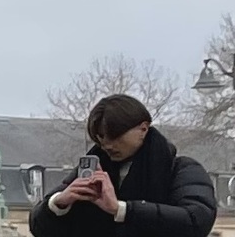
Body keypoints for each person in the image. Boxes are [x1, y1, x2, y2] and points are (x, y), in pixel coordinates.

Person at [27, 94, 218, 237]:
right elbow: (40, 228)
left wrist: (121, 210)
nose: (107, 145)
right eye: (100, 138)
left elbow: (196, 221)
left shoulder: (181, 169)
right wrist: (58, 203)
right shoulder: (90, 172)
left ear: (143, 128)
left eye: (115, 136)